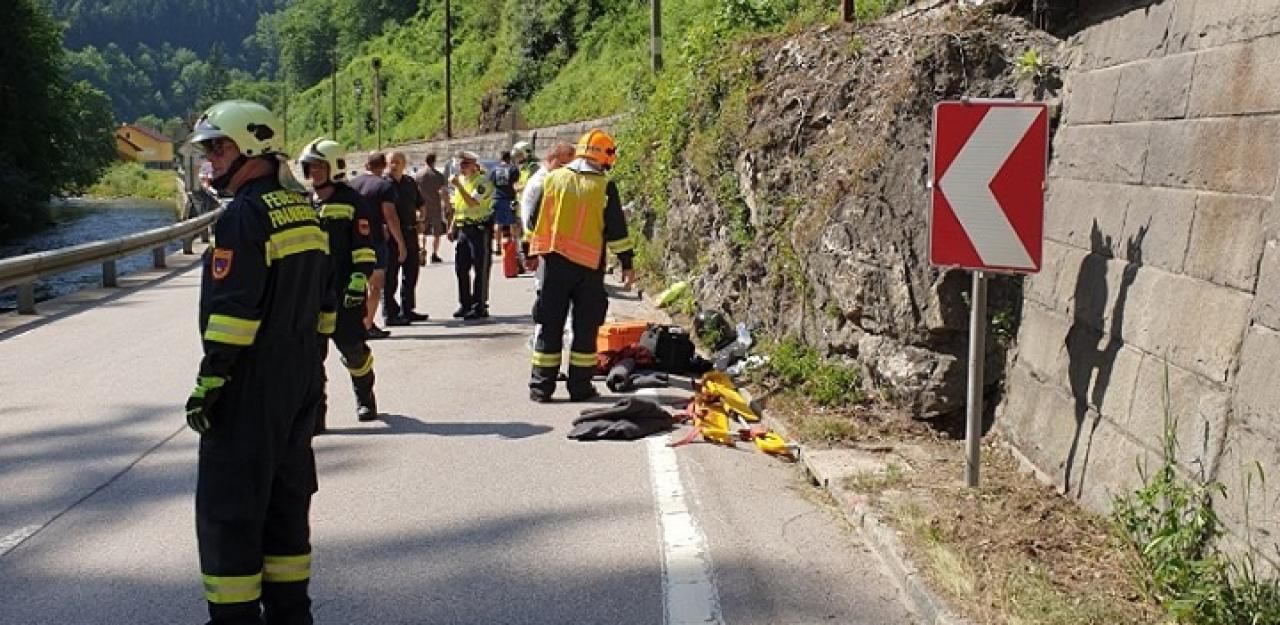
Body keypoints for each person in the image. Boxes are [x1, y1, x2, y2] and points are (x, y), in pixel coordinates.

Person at [184, 99, 328, 624]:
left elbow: (232, 312)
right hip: (299, 378)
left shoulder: (244, 216)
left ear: (250, 148)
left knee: (230, 512)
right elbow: (324, 302)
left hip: (251, 384)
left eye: (218, 148)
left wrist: (211, 381)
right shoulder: (302, 210)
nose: (211, 160)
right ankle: (291, 615)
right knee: (286, 505)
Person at [526, 129, 635, 402]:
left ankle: (541, 387)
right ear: (604, 156)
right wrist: (627, 263)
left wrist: (531, 251)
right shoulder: (604, 187)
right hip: (588, 267)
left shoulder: (553, 179)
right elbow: (616, 231)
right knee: (585, 329)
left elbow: (534, 220)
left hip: (553, 264)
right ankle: (579, 387)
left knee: (550, 325)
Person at [299, 138, 380, 427]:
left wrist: (359, 278)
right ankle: (316, 414)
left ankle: (365, 398)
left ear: (334, 167)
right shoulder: (305, 203)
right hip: (312, 296)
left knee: (354, 352)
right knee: (310, 360)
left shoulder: (351, 202)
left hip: (344, 294)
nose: (315, 172)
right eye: (311, 167)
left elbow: (364, 247)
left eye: (320, 166)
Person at [349, 153, 406, 339]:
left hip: (354, 240)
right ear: (383, 166)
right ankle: (367, 325)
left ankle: (357, 322)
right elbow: (390, 215)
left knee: (358, 282)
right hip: (375, 241)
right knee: (375, 284)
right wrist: (400, 243)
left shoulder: (352, 184)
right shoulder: (384, 186)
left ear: (366, 164)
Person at [382, 151, 428, 325]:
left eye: (397, 162)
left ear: (404, 164)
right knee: (390, 275)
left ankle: (407, 309)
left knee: (411, 272)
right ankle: (390, 312)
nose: (393, 165)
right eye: (391, 162)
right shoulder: (385, 184)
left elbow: (421, 203)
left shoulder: (409, 182)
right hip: (391, 235)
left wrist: (422, 219)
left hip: (410, 232)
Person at [447, 150, 494, 320]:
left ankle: (479, 305)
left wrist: (458, 187)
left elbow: (473, 202)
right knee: (461, 268)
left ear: (474, 165)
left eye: (465, 164)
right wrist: (452, 225)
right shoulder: (460, 180)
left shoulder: (482, 182)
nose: (462, 168)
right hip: (463, 229)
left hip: (478, 228)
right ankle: (465, 303)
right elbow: (458, 207)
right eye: (460, 164)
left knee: (480, 268)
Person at [415, 153, 450, 264]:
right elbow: (443, 192)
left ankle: (422, 249)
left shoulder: (418, 175)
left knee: (422, 231)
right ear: (434, 161)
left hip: (422, 207)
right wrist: (448, 205)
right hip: (435, 207)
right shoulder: (438, 176)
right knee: (436, 233)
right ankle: (434, 254)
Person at [488, 150, 522, 256]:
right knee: (513, 223)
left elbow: (491, 184)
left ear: (501, 158)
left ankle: (498, 246)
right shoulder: (513, 169)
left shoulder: (494, 170)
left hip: (497, 198)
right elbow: (516, 183)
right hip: (510, 198)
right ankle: (513, 246)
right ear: (509, 158)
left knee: (498, 223)